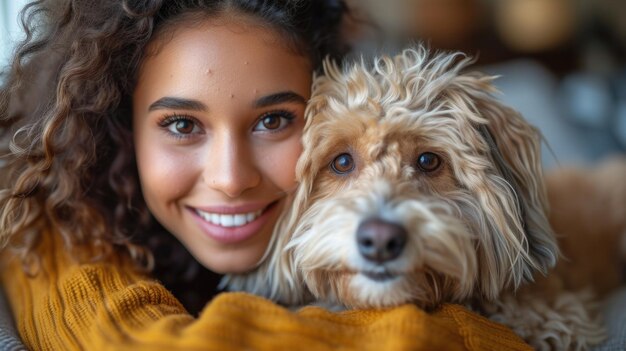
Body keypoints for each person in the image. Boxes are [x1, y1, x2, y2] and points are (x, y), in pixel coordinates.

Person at [0, 0, 534, 350]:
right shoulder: (52, 227)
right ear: (120, 128)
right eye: (182, 123)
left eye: (275, 120)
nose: (230, 178)